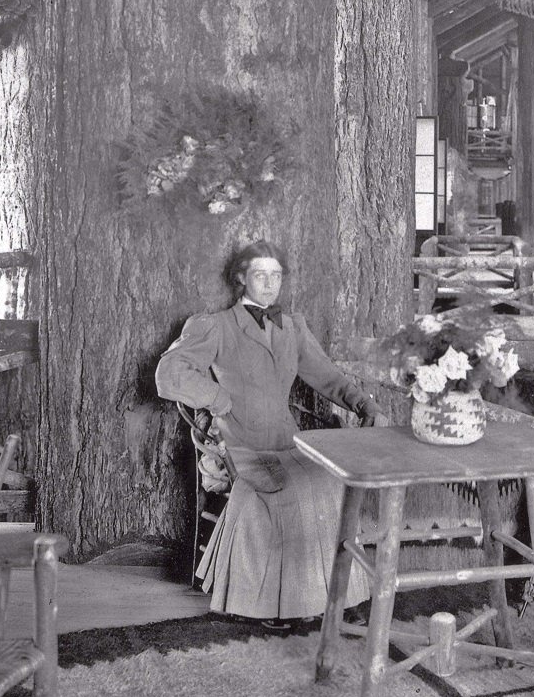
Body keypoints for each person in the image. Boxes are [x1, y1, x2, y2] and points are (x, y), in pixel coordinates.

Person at [156, 239, 387, 630]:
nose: (268, 284)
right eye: (259, 275)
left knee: (333, 482)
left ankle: (334, 596)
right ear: (241, 278)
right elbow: (168, 374)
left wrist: (364, 405)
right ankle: (270, 603)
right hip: (239, 442)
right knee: (288, 490)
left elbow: (327, 376)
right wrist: (217, 398)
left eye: (275, 276)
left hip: (287, 440)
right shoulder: (215, 326)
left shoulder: (292, 327)